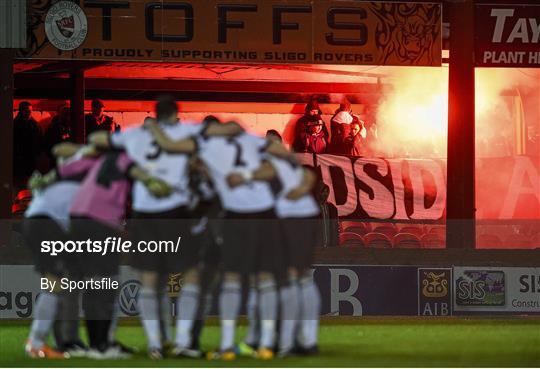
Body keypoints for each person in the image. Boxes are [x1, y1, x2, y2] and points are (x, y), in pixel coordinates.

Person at [13, 101, 42, 188]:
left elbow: (39, 140)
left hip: (30, 158)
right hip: (20, 159)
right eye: (27, 111)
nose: (29, 113)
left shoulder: (34, 125)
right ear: (21, 111)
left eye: (30, 111)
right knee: (20, 183)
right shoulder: (15, 125)